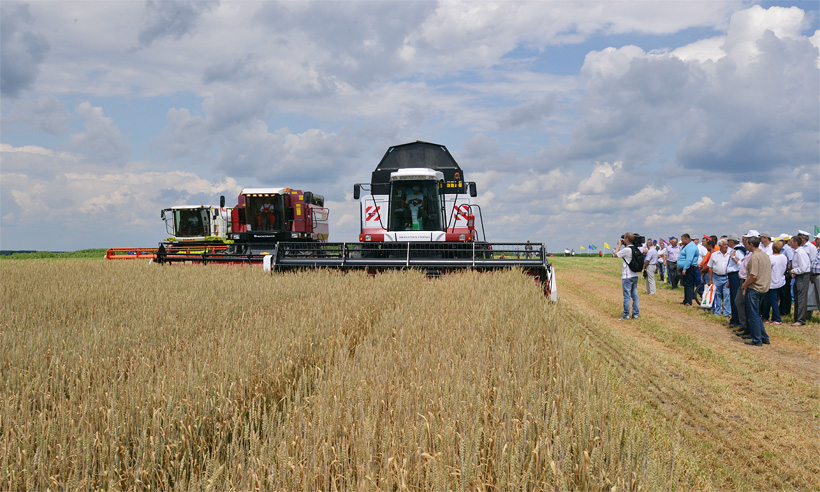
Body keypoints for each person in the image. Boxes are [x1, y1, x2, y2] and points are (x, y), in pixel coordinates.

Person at [741, 235, 772, 346]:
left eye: (747, 244)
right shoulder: (765, 255)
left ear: (751, 244)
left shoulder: (754, 257)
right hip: (764, 287)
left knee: (753, 315)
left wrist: (745, 285)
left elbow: (753, 275)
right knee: (757, 314)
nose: (746, 246)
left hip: (755, 288)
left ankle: (757, 339)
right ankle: (764, 337)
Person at [614, 233, 640, 320]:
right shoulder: (636, 248)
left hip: (627, 276)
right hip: (635, 275)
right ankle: (635, 314)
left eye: (624, 239)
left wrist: (619, 245)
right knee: (635, 295)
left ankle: (626, 315)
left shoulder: (627, 250)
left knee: (627, 296)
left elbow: (615, 255)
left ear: (627, 240)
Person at [761, 241, 788, 325]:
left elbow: (766, 268)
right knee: (774, 299)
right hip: (780, 280)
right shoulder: (783, 257)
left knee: (773, 301)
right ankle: (773, 318)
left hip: (772, 281)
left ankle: (777, 318)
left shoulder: (771, 258)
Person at [707, 239, 732, 318]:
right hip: (716, 277)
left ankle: (726, 312)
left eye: (727, 244)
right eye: (725, 244)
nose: (726, 246)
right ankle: (717, 311)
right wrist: (710, 280)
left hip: (726, 277)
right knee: (717, 294)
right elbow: (710, 267)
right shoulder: (714, 255)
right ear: (720, 245)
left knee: (727, 294)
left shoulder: (730, 254)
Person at [790, 234, 811, 326]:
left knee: (801, 298)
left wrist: (793, 271)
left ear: (796, 243)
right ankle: (797, 317)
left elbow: (803, 268)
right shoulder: (796, 252)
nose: (790, 243)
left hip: (802, 276)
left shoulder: (800, 253)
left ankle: (801, 319)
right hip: (799, 276)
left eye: (791, 241)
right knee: (797, 297)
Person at [726, 234, 745, 328]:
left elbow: (741, 264)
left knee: (735, 298)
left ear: (732, 241)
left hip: (736, 275)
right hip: (733, 275)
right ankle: (734, 318)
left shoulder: (738, 251)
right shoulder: (736, 250)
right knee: (733, 297)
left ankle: (736, 319)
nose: (727, 243)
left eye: (728, 241)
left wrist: (733, 257)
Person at [677, 233, 700, 306]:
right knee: (685, 284)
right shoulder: (686, 246)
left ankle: (689, 301)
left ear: (687, 239)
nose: (682, 241)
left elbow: (689, 259)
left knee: (689, 284)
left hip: (689, 268)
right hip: (685, 267)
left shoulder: (691, 247)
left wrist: (685, 268)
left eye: (682, 239)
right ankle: (686, 299)